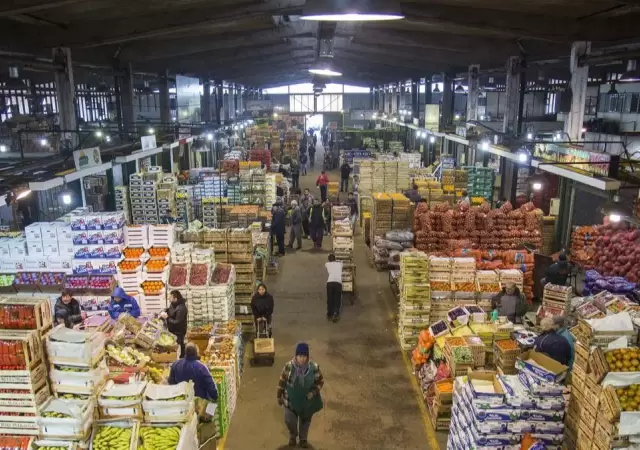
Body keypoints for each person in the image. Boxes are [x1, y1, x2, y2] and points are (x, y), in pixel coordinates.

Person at [277, 343, 324, 448]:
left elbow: (320, 382)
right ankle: (293, 435)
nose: (302, 359)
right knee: (289, 420)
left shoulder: (314, 368)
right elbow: (282, 382)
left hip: (306, 402)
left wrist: (313, 392)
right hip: (290, 401)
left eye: (304, 356)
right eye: (300, 356)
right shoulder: (289, 366)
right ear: (296, 356)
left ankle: (303, 439)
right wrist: (278, 396)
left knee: (305, 421)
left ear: (307, 356)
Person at [161, 290, 188, 358]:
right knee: (174, 346)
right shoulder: (173, 303)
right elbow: (171, 311)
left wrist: (167, 318)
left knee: (179, 346)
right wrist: (166, 310)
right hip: (173, 330)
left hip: (179, 331)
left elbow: (177, 322)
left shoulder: (181, 308)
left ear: (175, 298)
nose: (169, 299)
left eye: (170, 298)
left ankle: (181, 357)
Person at [325, 253, 343, 322]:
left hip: (330, 282)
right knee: (337, 299)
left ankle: (329, 313)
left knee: (330, 298)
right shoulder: (340, 264)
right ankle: (336, 313)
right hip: (338, 283)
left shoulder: (327, 264)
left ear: (329, 260)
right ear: (335, 259)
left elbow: (328, 270)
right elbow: (341, 264)